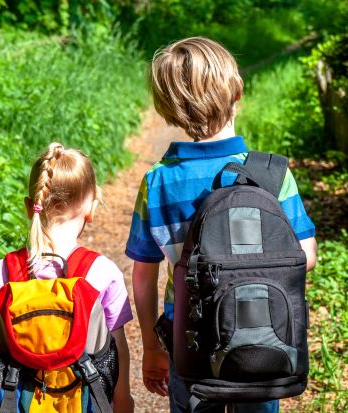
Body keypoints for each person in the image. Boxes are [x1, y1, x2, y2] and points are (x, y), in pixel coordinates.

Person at [125, 37, 317, 413]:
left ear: (168, 109)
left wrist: (151, 347)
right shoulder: (271, 175)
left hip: (189, 341)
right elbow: (305, 257)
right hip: (263, 337)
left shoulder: (158, 182)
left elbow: (144, 277)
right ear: (238, 92)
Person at [0, 142, 135, 413]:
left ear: (30, 207)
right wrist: (123, 401)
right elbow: (117, 348)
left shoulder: (6, 271)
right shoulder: (102, 272)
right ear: (91, 209)